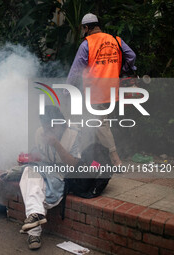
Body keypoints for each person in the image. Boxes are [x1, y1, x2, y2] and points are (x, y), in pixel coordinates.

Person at [66, 13, 137, 166]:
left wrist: (67, 88)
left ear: (86, 28)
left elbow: (76, 70)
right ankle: (92, 159)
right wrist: (123, 68)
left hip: (95, 91)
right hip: (112, 90)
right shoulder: (115, 40)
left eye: (84, 29)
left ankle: (115, 160)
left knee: (99, 125)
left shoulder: (87, 44)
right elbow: (131, 55)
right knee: (94, 124)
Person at [19, 105, 81, 250]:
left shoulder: (74, 134)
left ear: (60, 123)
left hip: (62, 175)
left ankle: (34, 232)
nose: (47, 130)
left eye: (50, 127)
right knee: (29, 172)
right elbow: (39, 157)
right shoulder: (40, 132)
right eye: (44, 126)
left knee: (33, 184)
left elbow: (74, 164)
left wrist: (56, 144)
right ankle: (36, 217)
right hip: (43, 170)